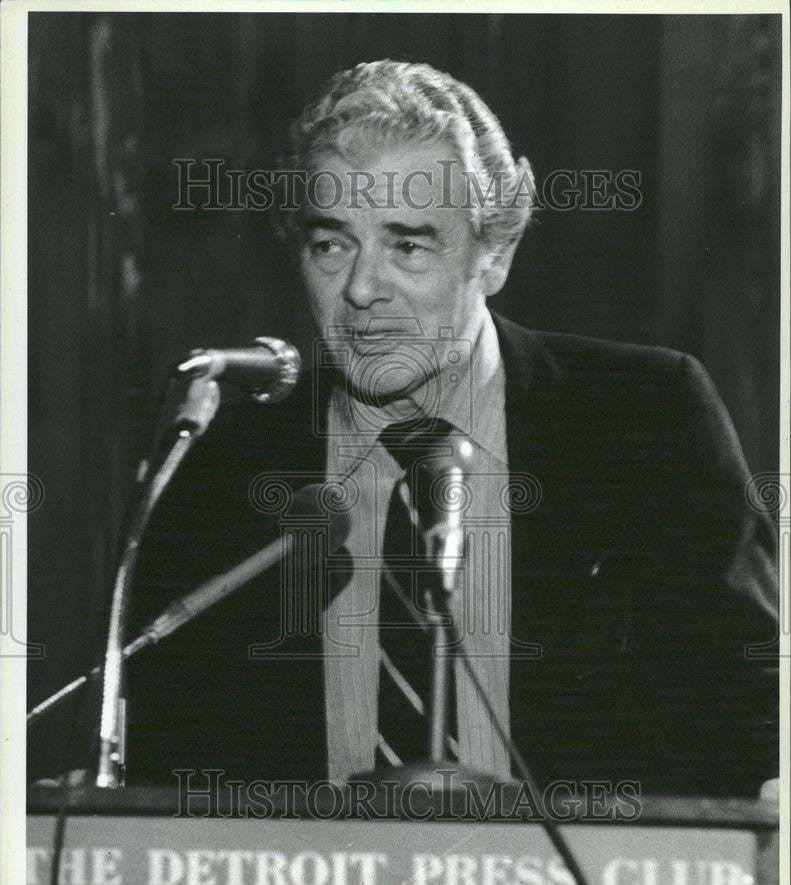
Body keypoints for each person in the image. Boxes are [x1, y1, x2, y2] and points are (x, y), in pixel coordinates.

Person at [126, 60, 778, 798]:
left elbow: (750, 712)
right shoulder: (223, 472)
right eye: (331, 245)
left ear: (493, 253)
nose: (363, 290)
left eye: (407, 245)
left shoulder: (641, 421)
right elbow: (167, 763)